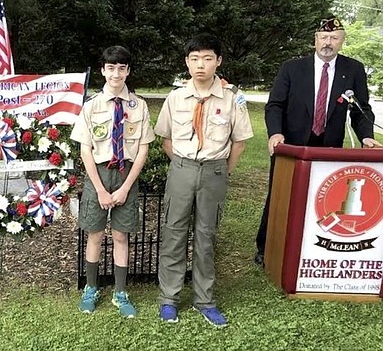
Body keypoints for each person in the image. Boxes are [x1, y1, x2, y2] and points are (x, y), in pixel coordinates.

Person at [254, 16, 382, 266]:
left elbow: (360, 109)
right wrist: (275, 133)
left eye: (334, 38)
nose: (328, 42)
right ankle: (266, 246)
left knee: (323, 197)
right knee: (280, 196)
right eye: (323, 37)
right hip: (292, 144)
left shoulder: (353, 69)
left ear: (342, 42)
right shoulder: (292, 68)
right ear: (315, 41)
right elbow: (275, 105)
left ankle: (312, 245)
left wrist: (366, 135)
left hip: (330, 146)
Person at [154, 33, 253, 327]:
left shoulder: (232, 98)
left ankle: (205, 300)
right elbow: (166, 140)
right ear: (186, 62)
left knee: (206, 237)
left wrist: (224, 170)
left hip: (215, 171)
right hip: (182, 169)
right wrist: (184, 165)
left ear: (218, 61)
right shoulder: (175, 97)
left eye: (208, 58)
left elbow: (239, 143)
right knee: (173, 234)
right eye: (195, 58)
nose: (201, 65)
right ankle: (169, 299)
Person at [70, 46, 155, 318]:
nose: (116, 73)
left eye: (122, 68)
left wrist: (126, 186)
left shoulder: (139, 106)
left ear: (128, 71)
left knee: (120, 235)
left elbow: (142, 150)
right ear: (103, 70)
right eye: (111, 68)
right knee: (94, 234)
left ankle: (120, 291)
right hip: (98, 174)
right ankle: (91, 287)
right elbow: (85, 151)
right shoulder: (91, 106)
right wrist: (99, 189)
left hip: (125, 175)